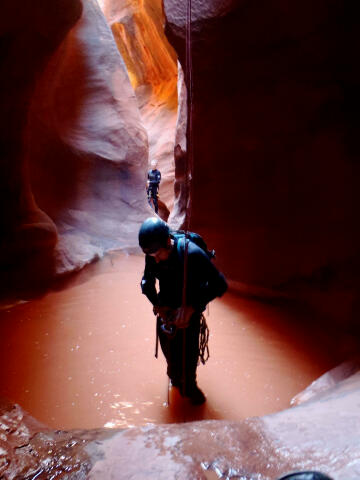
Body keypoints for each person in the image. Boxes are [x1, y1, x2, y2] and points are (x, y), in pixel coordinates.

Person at [138, 217, 228, 405]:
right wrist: (157, 305)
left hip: (189, 316)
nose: (155, 258)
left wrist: (191, 308)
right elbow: (147, 283)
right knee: (172, 365)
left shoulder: (192, 254)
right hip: (166, 315)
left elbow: (219, 284)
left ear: (167, 242)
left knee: (188, 369)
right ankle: (176, 380)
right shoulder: (152, 253)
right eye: (150, 255)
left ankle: (190, 389)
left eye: (158, 253)